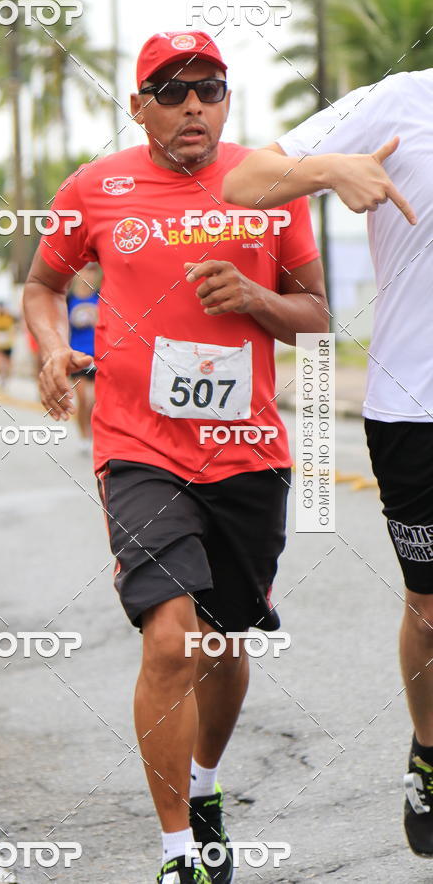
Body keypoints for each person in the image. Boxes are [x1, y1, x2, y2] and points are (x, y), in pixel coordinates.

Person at [23, 30, 327, 883]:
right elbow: (42, 285)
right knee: (170, 642)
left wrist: (260, 298)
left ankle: (203, 786)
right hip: (138, 446)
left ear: (226, 98)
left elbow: (315, 310)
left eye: (209, 86)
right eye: (170, 89)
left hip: (248, 449)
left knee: (226, 640)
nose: (193, 103)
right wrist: (51, 347)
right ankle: (177, 854)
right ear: (138, 105)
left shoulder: (268, 182)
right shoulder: (98, 187)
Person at [222, 67, 433, 858]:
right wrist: (330, 170)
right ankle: (429, 749)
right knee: (430, 611)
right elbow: (244, 179)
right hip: (415, 406)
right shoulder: (397, 100)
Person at [66, 264, 100, 454]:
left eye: (93, 271)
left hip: (98, 356)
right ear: (78, 274)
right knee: (84, 399)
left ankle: (92, 434)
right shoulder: (69, 299)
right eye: (85, 270)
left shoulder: (101, 297)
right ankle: (83, 435)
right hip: (77, 356)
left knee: (94, 401)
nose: (89, 274)